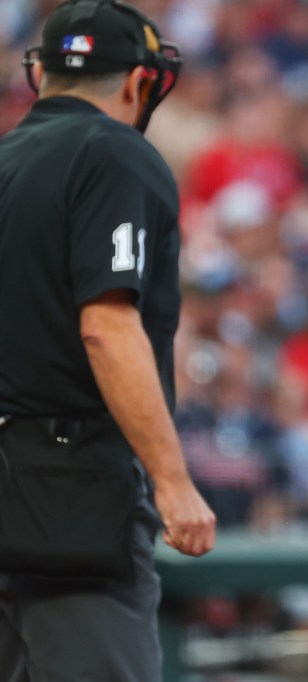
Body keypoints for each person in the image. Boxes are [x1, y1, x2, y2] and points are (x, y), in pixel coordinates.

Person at [0, 2, 217, 680]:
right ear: (137, 81)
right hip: (71, 492)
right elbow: (107, 323)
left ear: (41, 73)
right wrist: (173, 481)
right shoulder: (116, 152)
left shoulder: (6, 158)